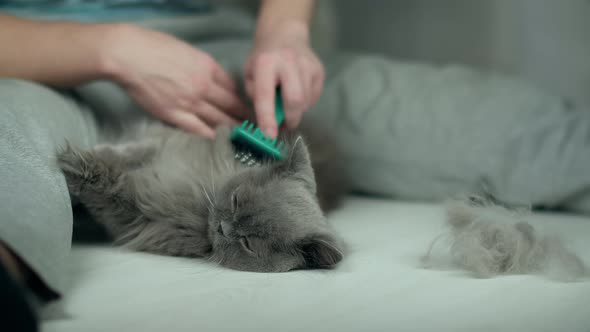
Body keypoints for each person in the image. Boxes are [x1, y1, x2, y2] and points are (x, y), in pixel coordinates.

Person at [2, 1, 590, 331]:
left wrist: (284, 26)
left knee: (509, 128)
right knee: (11, 144)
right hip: (41, 63)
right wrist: (110, 49)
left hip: (227, 56)